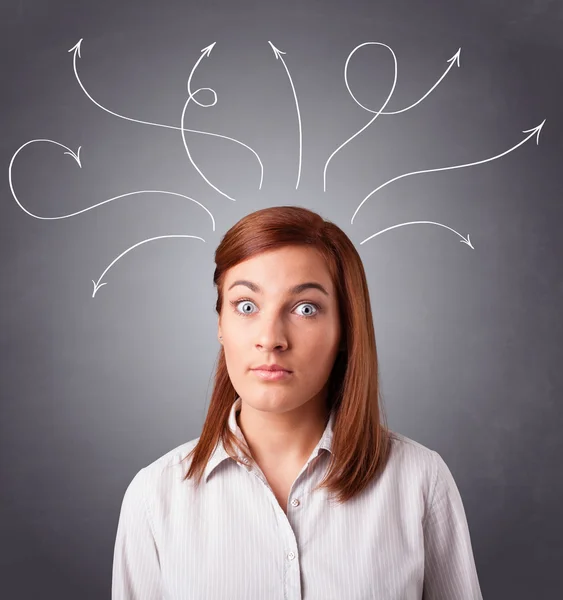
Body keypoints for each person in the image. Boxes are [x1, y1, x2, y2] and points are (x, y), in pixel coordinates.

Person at [111, 205, 483, 599]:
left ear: (345, 328)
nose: (271, 338)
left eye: (305, 308)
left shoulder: (420, 482)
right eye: (246, 306)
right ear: (220, 323)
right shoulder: (154, 497)